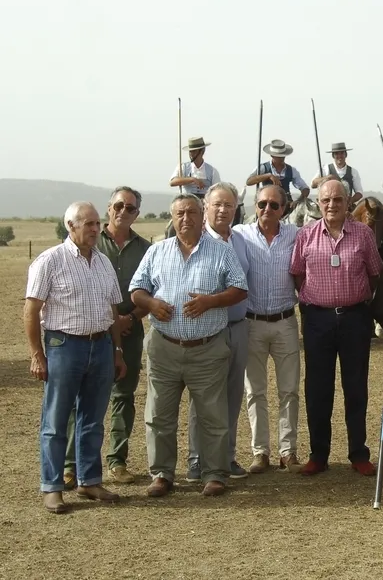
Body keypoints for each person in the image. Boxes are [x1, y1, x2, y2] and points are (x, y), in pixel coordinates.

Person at [130, 194, 248, 498]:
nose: (187, 218)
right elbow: (136, 290)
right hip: (164, 347)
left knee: (213, 415)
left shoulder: (221, 252)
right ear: (173, 217)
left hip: (207, 348)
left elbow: (239, 289)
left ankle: (214, 474)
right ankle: (162, 474)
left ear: (202, 214)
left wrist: (212, 301)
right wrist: (152, 303)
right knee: (159, 415)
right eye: (180, 213)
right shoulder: (157, 252)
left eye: (192, 212)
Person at [25, 201, 126, 513]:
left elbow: (113, 310)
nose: (96, 229)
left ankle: (89, 481)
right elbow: (31, 310)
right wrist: (37, 355)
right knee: (56, 421)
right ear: (70, 226)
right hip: (64, 346)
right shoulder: (50, 261)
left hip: (101, 347)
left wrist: (117, 350)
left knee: (93, 420)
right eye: (89, 224)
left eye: (97, 224)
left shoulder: (104, 263)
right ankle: (52, 486)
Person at [290, 179, 383, 477]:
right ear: (319, 203)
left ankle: (358, 453)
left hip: (355, 319)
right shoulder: (306, 235)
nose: (332, 205)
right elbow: (297, 275)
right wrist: (317, 302)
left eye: (338, 200)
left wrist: (352, 299)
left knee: (355, 388)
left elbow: (374, 274)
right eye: (326, 200)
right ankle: (318, 454)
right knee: (318, 389)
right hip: (317, 320)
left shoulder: (364, 234)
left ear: (347, 202)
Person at [63, 188, 150, 487]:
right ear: (108, 208)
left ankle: (117, 461)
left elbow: (155, 288)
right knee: (82, 399)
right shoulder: (89, 241)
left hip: (130, 329)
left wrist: (130, 318)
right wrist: (111, 321)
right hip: (93, 332)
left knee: (123, 396)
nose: (123, 211)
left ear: (137, 213)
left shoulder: (146, 248)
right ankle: (72, 465)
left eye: (130, 207)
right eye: (118, 205)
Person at [233, 185, 303, 473]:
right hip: (252, 323)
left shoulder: (297, 235)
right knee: (255, 391)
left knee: (289, 391)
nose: (267, 210)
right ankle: (260, 452)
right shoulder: (240, 235)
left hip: (286, 321)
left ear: (284, 209)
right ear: (254, 206)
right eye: (262, 204)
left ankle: (288, 451)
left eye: (274, 205)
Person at [184, 183, 251, 482]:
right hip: (207, 331)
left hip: (238, 328)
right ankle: (197, 460)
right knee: (203, 399)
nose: (223, 210)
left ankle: (227, 457)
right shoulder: (194, 242)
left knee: (233, 397)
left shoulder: (240, 241)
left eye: (229, 205)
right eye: (217, 205)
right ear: (206, 208)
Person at [246, 139, 310, 211]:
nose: (281, 158)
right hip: (268, 204)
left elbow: (305, 189)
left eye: (282, 156)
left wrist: (298, 201)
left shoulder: (291, 170)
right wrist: (268, 176)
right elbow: (249, 181)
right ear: (272, 155)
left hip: (286, 205)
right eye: (278, 156)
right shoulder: (263, 168)